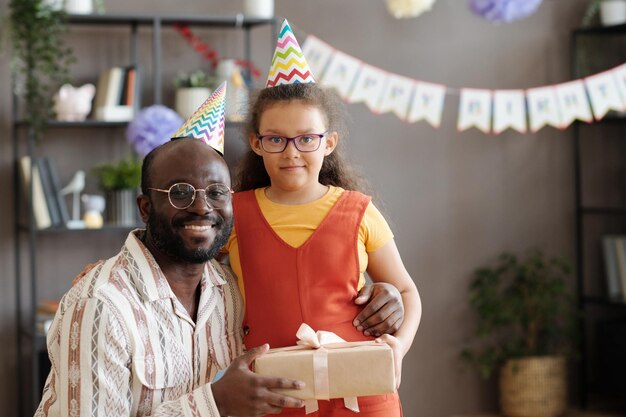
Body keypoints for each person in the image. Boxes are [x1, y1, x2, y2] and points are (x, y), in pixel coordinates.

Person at [35, 84, 405, 417]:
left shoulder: (227, 293)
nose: (201, 208)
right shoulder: (103, 305)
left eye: (215, 193)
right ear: (146, 207)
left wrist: (386, 293)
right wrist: (214, 404)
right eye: (180, 192)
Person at [221, 20, 422, 416]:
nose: (291, 152)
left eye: (306, 138)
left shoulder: (359, 211)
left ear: (328, 142)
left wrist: (399, 345)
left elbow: (408, 291)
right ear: (256, 143)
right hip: (275, 394)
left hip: (362, 392)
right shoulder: (234, 213)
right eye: (276, 139)